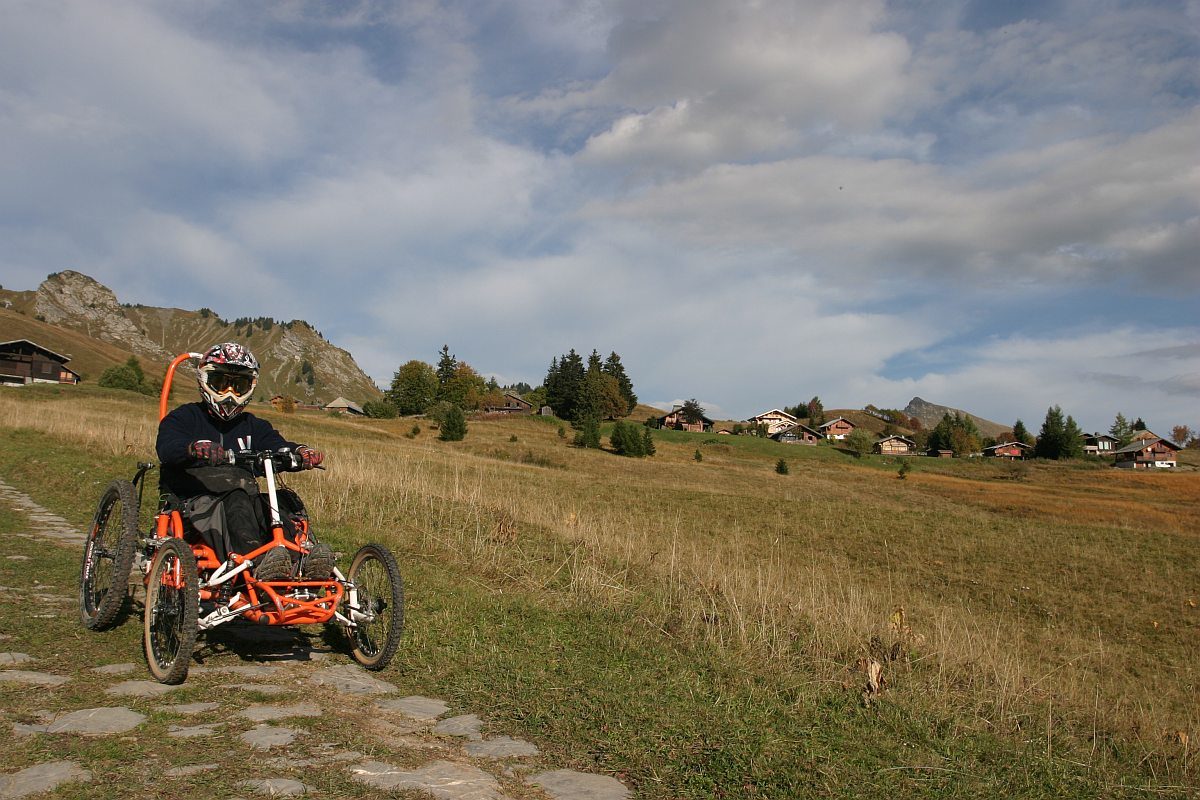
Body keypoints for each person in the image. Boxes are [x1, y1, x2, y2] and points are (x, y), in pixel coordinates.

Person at [155, 342, 332, 581]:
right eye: (221, 383)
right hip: (193, 501)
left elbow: (276, 445)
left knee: (278, 502)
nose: (229, 393)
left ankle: (297, 563)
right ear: (205, 382)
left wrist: (300, 452)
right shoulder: (185, 417)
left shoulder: (253, 426)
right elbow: (167, 448)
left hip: (241, 499)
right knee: (237, 499)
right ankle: (256, 566)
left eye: (238, 386)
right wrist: (193, 449)